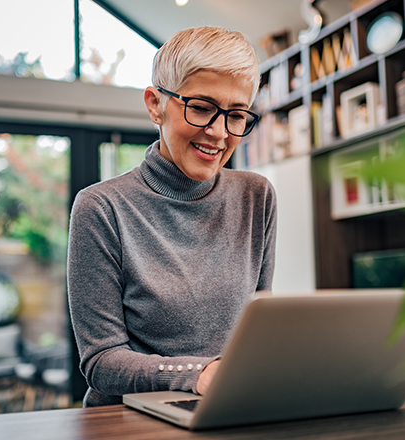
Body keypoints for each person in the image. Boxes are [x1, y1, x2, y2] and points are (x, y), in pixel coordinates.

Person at [67, 26, 277, 407]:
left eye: (236, 115)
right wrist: (197, 375)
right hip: (128, 422)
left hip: (227, 409)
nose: (218, 133)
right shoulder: (101, 208)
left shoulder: (255, 196)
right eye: (200, 108)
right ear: (155, 104)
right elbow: (101, 362)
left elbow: (259, 331)